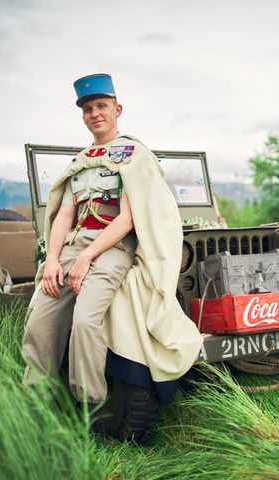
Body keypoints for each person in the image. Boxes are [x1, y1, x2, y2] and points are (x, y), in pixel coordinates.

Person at [22, 74, 203, 417]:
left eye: (101, 106)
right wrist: (53, 260)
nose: (95, 113)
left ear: (117, 109)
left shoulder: (132, 154)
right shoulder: (81, 161)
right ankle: (36, 400)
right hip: (74, 245)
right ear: (83, 116)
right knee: (39, 320)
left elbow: (128, 219)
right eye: (88, 109)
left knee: (86, 321)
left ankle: (89, 405)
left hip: (111, 249)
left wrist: (87, 257)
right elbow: (64, 215)